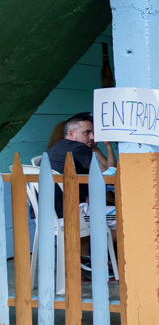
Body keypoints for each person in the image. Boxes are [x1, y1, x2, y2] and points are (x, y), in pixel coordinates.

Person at [46, 115, 118, 269]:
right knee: (124, 216)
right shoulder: (78, 147)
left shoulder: (56, 148)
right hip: (72, 213)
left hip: (51, 214)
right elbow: (107, 177)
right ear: (71, 133)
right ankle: (95, 262)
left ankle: (87, 261)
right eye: (87, 132)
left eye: (93, 133)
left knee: (103, 211)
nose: (92, 137)